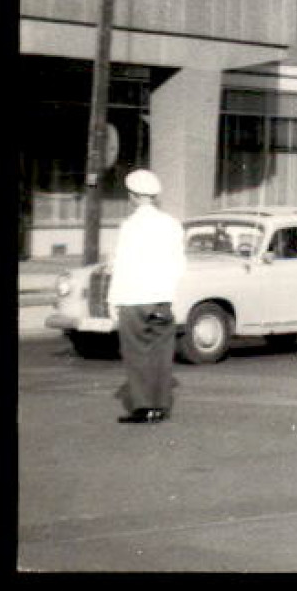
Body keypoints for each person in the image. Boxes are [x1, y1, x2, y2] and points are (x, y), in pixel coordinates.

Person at [110, 169, 186, 424]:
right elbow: (179, 264)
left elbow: (121, 264)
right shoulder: (172, 225)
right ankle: (160, 405)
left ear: (133, 196)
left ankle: (143, 406)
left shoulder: (129, 227)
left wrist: (113, 300)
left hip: (134, 297)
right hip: (162, 297)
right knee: (161, 353)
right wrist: (172, 294)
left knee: (137, 353)